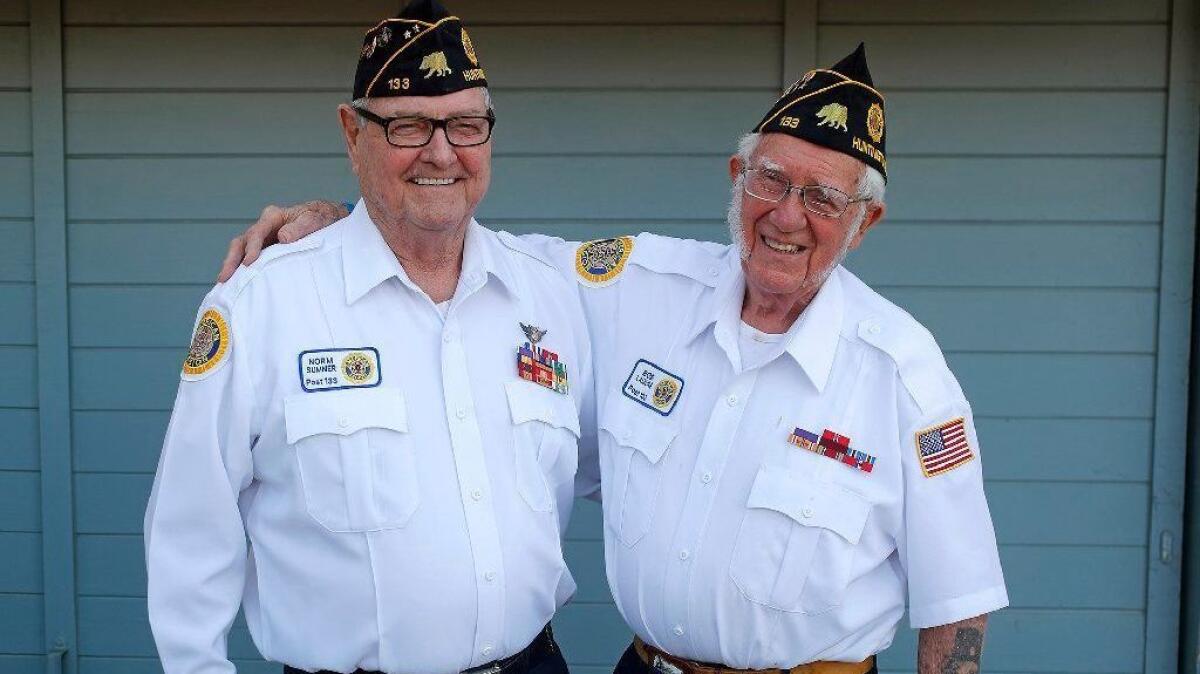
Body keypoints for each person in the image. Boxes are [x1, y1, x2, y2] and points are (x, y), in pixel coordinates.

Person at [221, 45, 1007, 674]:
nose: (787, 216)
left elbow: (956, 604)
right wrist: (343, 223)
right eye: (771, 180)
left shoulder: (903, 373)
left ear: (864, 224)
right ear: (739, 180)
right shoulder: (638, 284)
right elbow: (464, 246)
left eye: (824, 198)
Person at [145, 2, 592, 673]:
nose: (442, 153)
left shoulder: (551, 293)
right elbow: (189, 533)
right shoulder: (265, 303)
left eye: (466, 126)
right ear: (352, 135)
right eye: (409, 126)